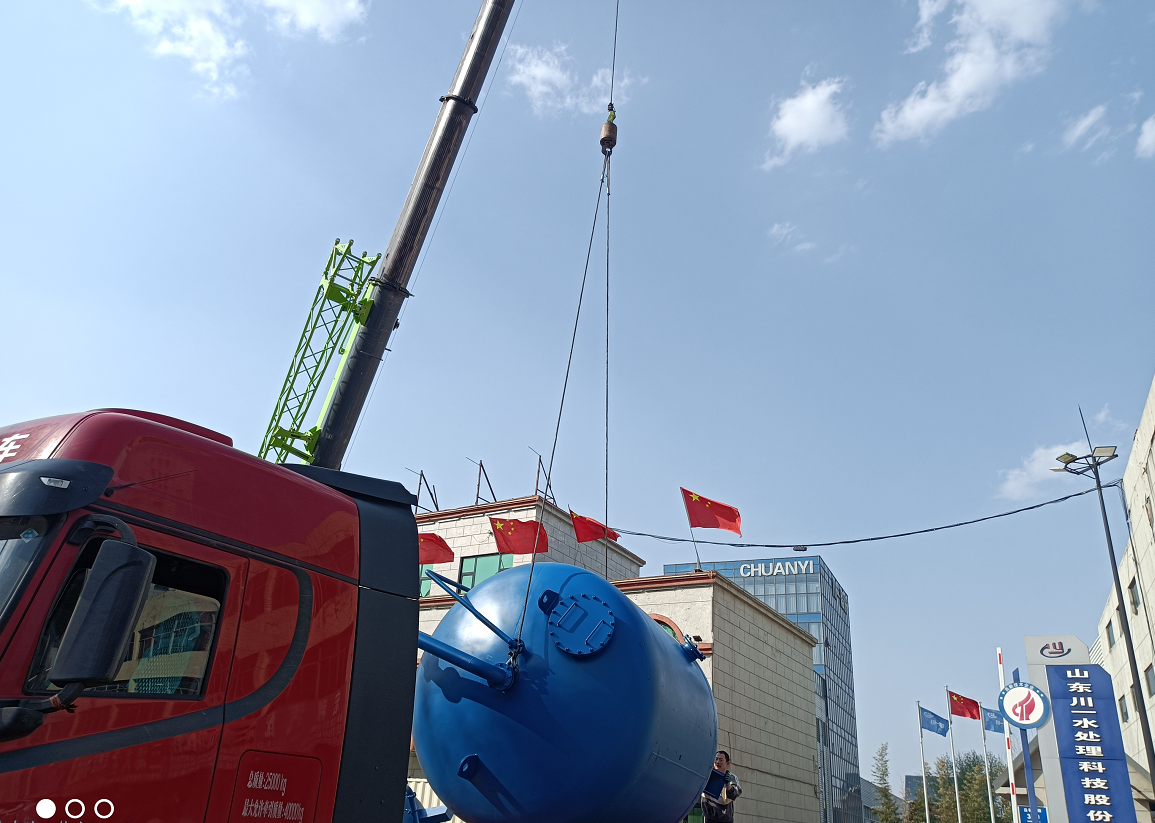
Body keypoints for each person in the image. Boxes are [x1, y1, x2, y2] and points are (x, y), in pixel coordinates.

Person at [702, 750, 742, 823]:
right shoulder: (707, 775)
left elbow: (735, 794)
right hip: (709, 818)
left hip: (726, 820)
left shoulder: (732, 778)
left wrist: (728, 785)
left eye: (721, 760)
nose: (717, 762)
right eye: (716, 759)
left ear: (727, 763)